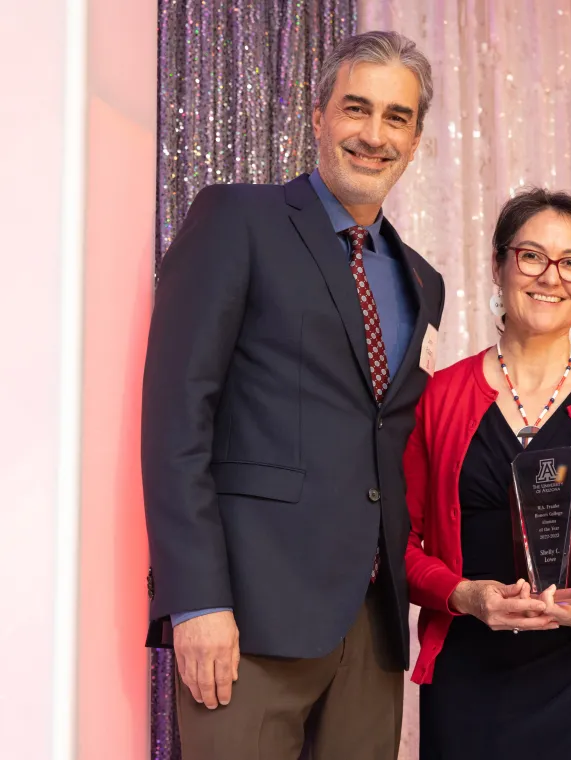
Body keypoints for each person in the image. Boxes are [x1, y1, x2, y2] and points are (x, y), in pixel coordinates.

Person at [141, 31, 444, 760]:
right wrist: (198, 600)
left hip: (371, 631)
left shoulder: (422, 279)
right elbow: (177, 417)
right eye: (356, 109)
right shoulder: (236, 220)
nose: (374, 135)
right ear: (317, 117)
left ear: (416, 138)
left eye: (397, 118)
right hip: (246, 621)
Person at [403, 188, 571, 760]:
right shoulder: (440, 397)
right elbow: (398, 544)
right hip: (472, 682)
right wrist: (463, 595)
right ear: (499, 265)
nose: (550, 277)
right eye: (531, 256)